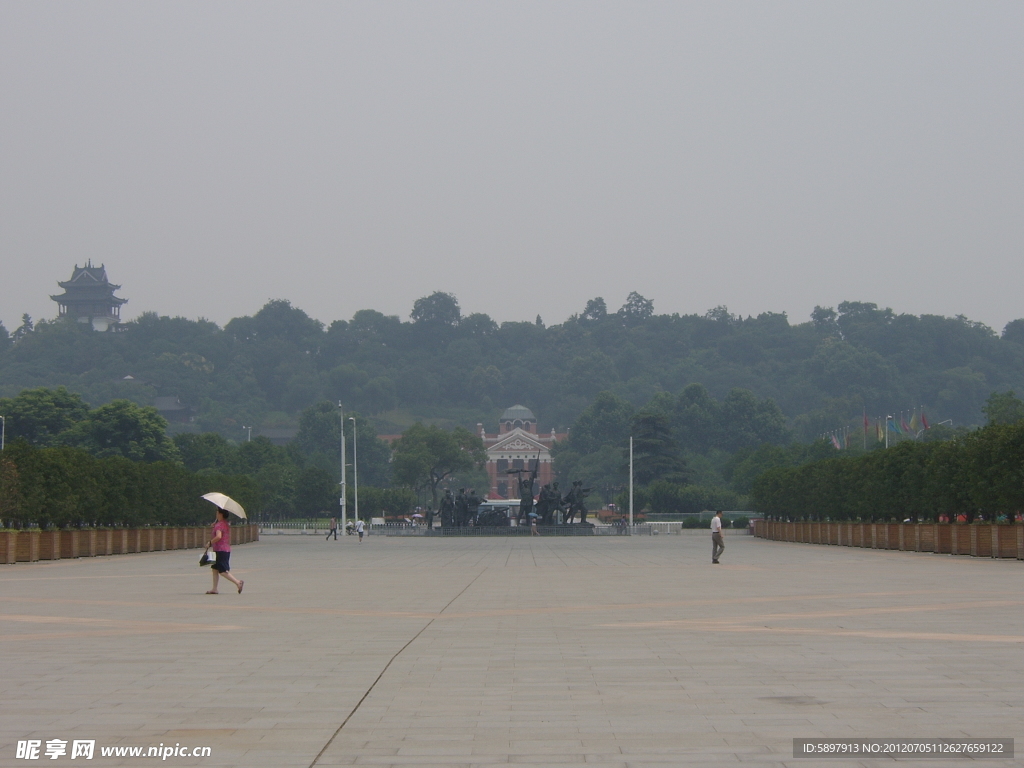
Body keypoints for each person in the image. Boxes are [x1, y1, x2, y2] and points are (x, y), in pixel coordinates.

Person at [206, 508, 243, 594]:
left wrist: (210, 542)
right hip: (224, 549)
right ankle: (214, 588)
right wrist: (214, 526)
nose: (216, 514)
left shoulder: (219, 525)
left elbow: (219, 536)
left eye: (217, 513)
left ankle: (238, 582)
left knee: (222, 571)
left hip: (221, 550)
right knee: (214, 569)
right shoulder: (225, 524)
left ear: (220, 514)